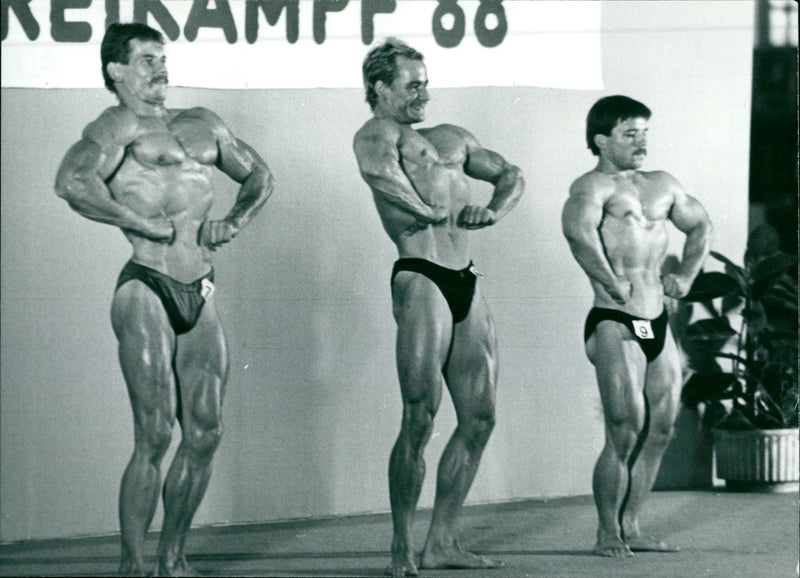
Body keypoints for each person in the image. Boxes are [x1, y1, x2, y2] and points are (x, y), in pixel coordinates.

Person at [54, 23, 274, 577]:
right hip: (145, 287)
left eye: (163, 58)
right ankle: (133, 565)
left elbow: (259, 176)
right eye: (147, 59)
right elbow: (72, 182)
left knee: (205, 432)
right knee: (153, 433)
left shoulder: (202, 123)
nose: (160, 69)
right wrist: (134, 220)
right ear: (117, 71)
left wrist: (236, 221)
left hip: (199, 287)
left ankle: (172, 559)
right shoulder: (114, 126)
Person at [353, 39, 524, 577]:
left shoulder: (452, 137)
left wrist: (493, 211)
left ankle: (442, 541)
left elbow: (510, 174)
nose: (423, 92)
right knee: (420, 414)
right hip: (422, 273)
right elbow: (379, 175)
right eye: (411, 83)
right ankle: (402, 546)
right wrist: (425, 206)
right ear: (380, 88)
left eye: (425, 81)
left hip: (464, 277)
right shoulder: (377, 133)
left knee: (480, 417)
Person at [562, 95, 713, 558]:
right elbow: (578, 234)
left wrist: (686, 274)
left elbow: (700, 224)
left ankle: (632, 525)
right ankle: (607, 531)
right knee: (624, 426)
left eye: (644, 132)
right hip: (615, 321)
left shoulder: (663, 184)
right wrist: (610, 283)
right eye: (631, 133)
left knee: (662, 428)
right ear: (601, 140)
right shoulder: (591, 188)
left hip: (656, 321)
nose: (641, 141)